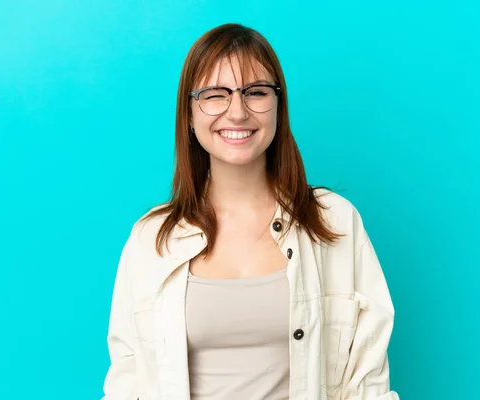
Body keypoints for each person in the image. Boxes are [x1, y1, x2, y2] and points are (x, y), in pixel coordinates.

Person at [101, 23, 399, 400]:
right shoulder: (151, 240)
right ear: (189, 114)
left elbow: (368, 379)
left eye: (255, 92)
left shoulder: (335, 222)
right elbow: (127, 383)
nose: (237, 112)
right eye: (215, 95)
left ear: (278, 106)